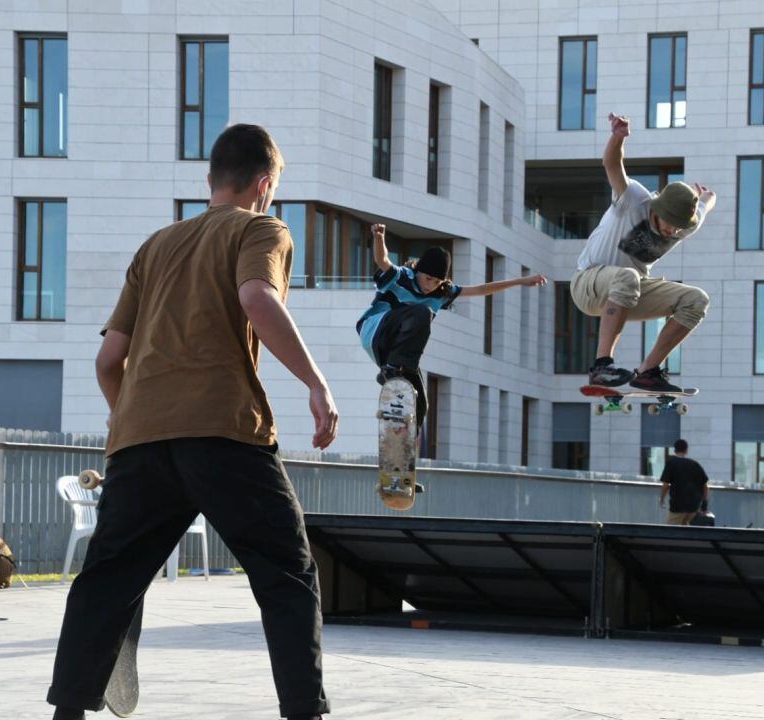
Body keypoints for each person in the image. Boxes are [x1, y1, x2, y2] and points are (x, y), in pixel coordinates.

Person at [47, 124, 336, 720]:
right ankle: (304, 712)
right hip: (224, 430)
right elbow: (258, 299)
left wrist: (139, 418)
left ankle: (67, 714)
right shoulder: (262, 228)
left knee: (107, 580)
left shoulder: (155, 247)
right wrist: (316, 383)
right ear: (264, 184)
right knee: (287, 572)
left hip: (139, 439)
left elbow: (108, 362)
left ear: (211, 182)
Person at [572, 112, 716, 392]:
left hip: (628, 291)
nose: (673, 232)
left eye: (679, 228)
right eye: (670, 225)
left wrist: (707, 197)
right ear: (657, 210)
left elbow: (703, 207)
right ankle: (602, 366)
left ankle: (648, 371)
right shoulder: (634, 199)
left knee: (696, 300)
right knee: (628, 277)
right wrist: (617, 137)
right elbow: (612, 165)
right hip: (587, 284)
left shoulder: (683, 225)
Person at [358, 223, 546, 424]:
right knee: (422, 313)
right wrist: (379, 239)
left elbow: (480, 289)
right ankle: (392, 371)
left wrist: (519, 282)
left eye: (437, 282)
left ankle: (404, 443)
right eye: (428, 279)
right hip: (376, 331)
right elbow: (383, 260)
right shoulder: (402, 276)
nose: (431, 286)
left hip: (395, 354)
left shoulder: (442, 293)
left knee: (420, 404)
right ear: (419, 270)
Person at [658, 439, 710, 525]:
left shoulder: (671, 463)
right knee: (685, 530)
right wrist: (704, 505)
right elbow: (705, 486)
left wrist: (662, 498)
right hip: (693, 508)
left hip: (678, 506)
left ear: (674, 450)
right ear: (686, 450)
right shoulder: (695, 464)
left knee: (671, 532)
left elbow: (666, 484)